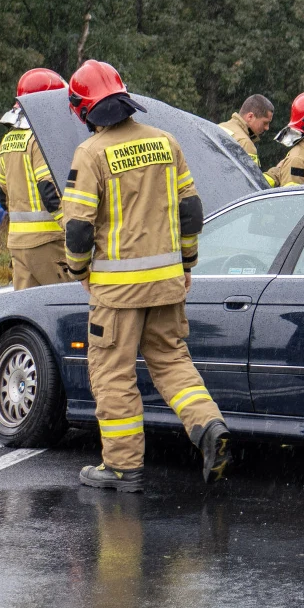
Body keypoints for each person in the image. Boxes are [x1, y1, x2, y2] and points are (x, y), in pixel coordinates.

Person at [61, 60, 230, 491]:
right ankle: (209, 426)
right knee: (173, 363)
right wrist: (187, 264)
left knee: (113, 375)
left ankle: (122, 467)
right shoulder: (165, 142)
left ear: (85, 110)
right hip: (168, 283)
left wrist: (79, 270)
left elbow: (78, 228)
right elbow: (190, 212)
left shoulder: (92, 153)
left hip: (116, 294)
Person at [0, 68, 70, 289]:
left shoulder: (8, 140)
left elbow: (3, 195)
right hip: (48, 242)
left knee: (30, 314)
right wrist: (71, 227)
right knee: (66, 308)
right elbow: (49, 190)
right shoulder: (40, 139)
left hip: (18, 244)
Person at [218, 94, 274, 169]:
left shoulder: (218, 127)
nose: (267, 128)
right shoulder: (245, 143)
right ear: (250, 117)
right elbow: (251, 179)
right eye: (265, 123)